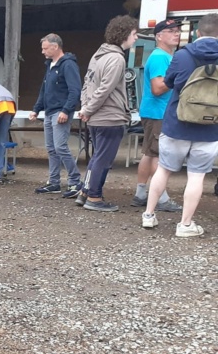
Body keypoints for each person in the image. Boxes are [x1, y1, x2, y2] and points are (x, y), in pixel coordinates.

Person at [141, 13, 218, 237]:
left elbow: (169, 82)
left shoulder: (183, 55)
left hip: (177, 124)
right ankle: (185, 225)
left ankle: (148, 215)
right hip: (210, 127)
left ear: (197, 33)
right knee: (196, 176)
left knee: (163, 170)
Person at [76, 15, 139, 212]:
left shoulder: (98, 55)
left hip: (96, 118)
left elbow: (87, 84)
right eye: (134, 34)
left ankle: (85, 191)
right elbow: (105, 89)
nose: (136, 38)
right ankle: (94, 197)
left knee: (96, 157)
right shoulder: (117, 58)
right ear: (125, 34)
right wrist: (88, 109)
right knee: (103, 159)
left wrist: (86, 108)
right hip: (110, 117)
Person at [132, 19, 183, 212]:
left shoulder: (162, 56)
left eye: (177, 31)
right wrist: (181, 78)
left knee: (149, 153)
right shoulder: (161, 57)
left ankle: (141, 193)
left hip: (153, 112)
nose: (176, 34)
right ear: (159, 36)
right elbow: (157, 88)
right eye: (171, 31)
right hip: (159, 112)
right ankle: (161, 198)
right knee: (158, 156)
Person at [30, 34, 83, 198]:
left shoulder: (68, 65)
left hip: (60, 112)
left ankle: (75, 181)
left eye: (45, 48)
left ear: (55, 47)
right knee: (52, 148)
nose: (42, 51)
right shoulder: (50, 65)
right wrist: (37, 108)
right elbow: (44, 89)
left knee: (60, 147)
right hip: (50, 111)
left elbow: (75, 90)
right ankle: (54, 182)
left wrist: (66, 110)